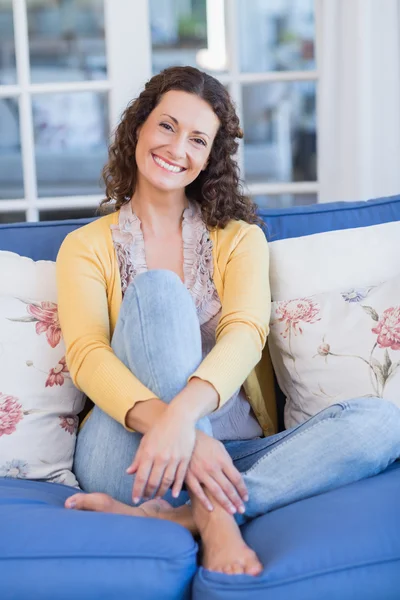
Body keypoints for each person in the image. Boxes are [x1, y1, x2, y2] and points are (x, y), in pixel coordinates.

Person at [56, 65, 400, 576]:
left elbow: (245, 333)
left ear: (210, 157)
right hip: (132, 454)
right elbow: (86, 355)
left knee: (383, 422)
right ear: (139, 128)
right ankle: (217, 521)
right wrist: (172, 429)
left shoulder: (239, 239)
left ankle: (186, 515)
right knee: (158, 291)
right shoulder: (85, 247)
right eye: (167, 126)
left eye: (198, 138)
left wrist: (186, 425)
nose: (177, 148)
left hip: (234, 456)